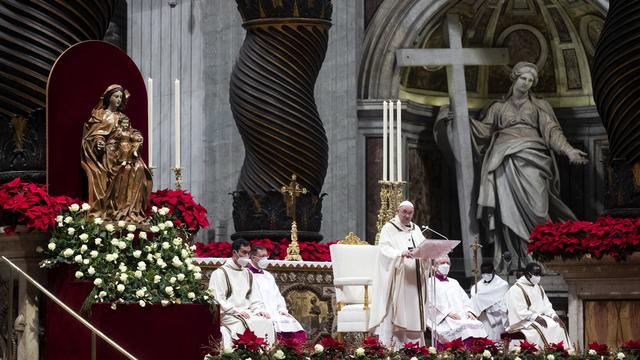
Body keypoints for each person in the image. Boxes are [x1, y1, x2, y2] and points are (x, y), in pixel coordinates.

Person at [436, 62, 588, 271]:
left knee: (538, 209)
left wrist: (569, 151)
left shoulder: (538, 106)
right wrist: (459, 119)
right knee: (506, 211)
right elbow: (483, 131)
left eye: (530, 80)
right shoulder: (498, 107)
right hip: (502, 159)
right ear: (514, 78)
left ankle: (544, 256)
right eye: (523, 78)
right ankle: (516, 260)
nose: (526, 83)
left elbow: (552, 132)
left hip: (532, 158)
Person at [369, 200, 430, 349]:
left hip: (414, 278)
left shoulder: (415, 229)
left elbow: (423, 246)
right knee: (397, 311)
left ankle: (415, 348)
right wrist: (400, 254)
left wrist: (428, 254)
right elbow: (384, 249)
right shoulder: (389, 228)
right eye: (404, 212)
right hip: (399, 277)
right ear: (397, 211)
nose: (407, 216)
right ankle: (394, 348)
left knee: (414, 312)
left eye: (410, 213)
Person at [208, 239, 275, 348]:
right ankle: (244, 355)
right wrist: (236, 310)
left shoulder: (248, 273)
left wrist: (259, 310)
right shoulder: (220, 273)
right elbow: (217, 299)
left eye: (248, 253)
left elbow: (255, 297)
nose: (247, 256)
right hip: (227, 313)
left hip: (246, 312)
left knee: (266, 321)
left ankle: (266, 355)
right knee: (243, 325)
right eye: (244, 252)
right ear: (234, 253)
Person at [81, 84, 129, 214]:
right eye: (116, 96)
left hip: (123, 152)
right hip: (107, 153)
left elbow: (130, 134)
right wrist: (99, 142)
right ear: (109, 97)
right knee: (112, 172)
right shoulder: (99, 115)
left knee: (136, 169)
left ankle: (122, 209)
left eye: (121, 97)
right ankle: (108, 207)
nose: (119, 100)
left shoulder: (123, 118)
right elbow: (93, 135)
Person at [505, 262, 572, 351]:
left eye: (540, 274)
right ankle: (546, 354)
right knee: (541, 329)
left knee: (559, 326)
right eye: (536, 274)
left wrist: (554, 316)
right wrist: (536, 317)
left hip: (539, 318)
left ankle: (562, 353)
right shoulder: (516, 289)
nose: (538, 276)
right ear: (528, 274)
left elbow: (546, 305)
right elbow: (519, 310)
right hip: (523, 321)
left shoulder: (538, 287)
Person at [247, 244, 306, 343]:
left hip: (275, 312)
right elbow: (247, 296)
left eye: (266, 256)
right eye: (262, 256)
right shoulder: (246, 274)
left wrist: (282, 308)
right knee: (272, 326)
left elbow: (278, 295)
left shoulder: (268, 275)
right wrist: (258, 310)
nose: (265, 259)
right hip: (259, 312)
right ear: (253, 257)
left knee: (292, 324)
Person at [426, 255, 487, 347]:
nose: (446, 265)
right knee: (464, 327)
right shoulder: (430, 282)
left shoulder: (454, 282)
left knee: (476, 324)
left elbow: (465, 299)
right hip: (444, 318)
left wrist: (469, 311)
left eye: (448, 263)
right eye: (442, 263)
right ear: (434, 266)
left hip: (461, 316)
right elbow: (430, 302)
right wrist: (447, 313)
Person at [104, 116, 152, 222]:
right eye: (123, 123)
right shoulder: (117, 132)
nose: (125, 125)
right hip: (119, 156)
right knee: (124, 170)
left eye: (127, 123)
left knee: (138, 168)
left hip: (130, 155)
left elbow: (136, 136)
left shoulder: (131, 132)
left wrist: (137, 143)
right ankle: (120, 209)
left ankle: (133, 209)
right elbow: (111, 143)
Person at [470, 262, 509, 341]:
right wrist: (479, 299)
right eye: (483, 273)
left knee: (497, 340)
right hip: (483, 317)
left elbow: (503, 302)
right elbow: (475, 296)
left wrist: (480, 300)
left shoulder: (502, 285)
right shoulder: (477, 286)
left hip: (496, 317)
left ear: (493, 271)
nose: (485, 275)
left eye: (488, 273)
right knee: (484, 339)